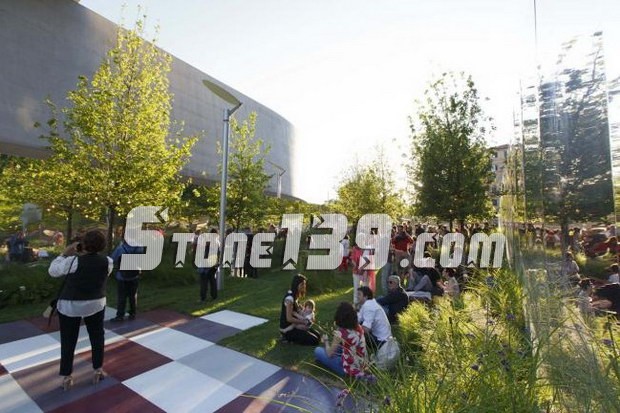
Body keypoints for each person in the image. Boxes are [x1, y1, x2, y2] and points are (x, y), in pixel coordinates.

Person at [48, 230, 113, 390]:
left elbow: (53, 271)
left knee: (68, 340)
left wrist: (64, 253)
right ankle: (98, 369)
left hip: (71, 304)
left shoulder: (72, 261)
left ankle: (67, 376)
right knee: (97, 337)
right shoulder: (108, 261)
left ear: (83, 244)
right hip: (96, 303)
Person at [314, 302, 367, 377]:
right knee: (338, 348)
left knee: (317, 350)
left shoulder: (341, 333)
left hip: (346, 369)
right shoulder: (359, 327)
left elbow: (329, 354)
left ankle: (328, 360)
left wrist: (326, 341)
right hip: (362, 364)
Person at [279, 274, 321, 345]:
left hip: (297, 325)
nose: (304, 286)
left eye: (304, 284)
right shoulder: (289, 299)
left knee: (318, 336)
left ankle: (293, 337)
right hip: (289, 328)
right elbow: (289, 318)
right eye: (302, 284)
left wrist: (309, 315)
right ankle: (286, 337)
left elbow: (299, 309)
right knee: (314, 340)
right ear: (296, 285)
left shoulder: (295, 295)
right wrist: (303, 322)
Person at [109, 239, 144, 322]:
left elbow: (112, 259)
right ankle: (133, 313)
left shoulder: (120, 248)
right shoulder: (140, 247)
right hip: (135, 274)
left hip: (122, 276)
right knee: (133, 295)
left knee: (122, 296)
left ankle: (120, 315)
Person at [357, 286, 391, 352]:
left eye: (359, 294)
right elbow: (358, 318)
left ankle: (359, 353)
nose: (357, 297)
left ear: (365, 297)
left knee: (356, 332)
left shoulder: (368, 306)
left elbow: (366, 329)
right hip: (383, 338)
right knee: (355, 327)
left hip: (381, 342)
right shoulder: (369, 303)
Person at [197, 228, 219, 302]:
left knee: (204, 281)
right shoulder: (217, 242)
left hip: (206, 263)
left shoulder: (208, 243)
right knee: (212, 280)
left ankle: (203, 297)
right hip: (214, 263)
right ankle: (214, 296)